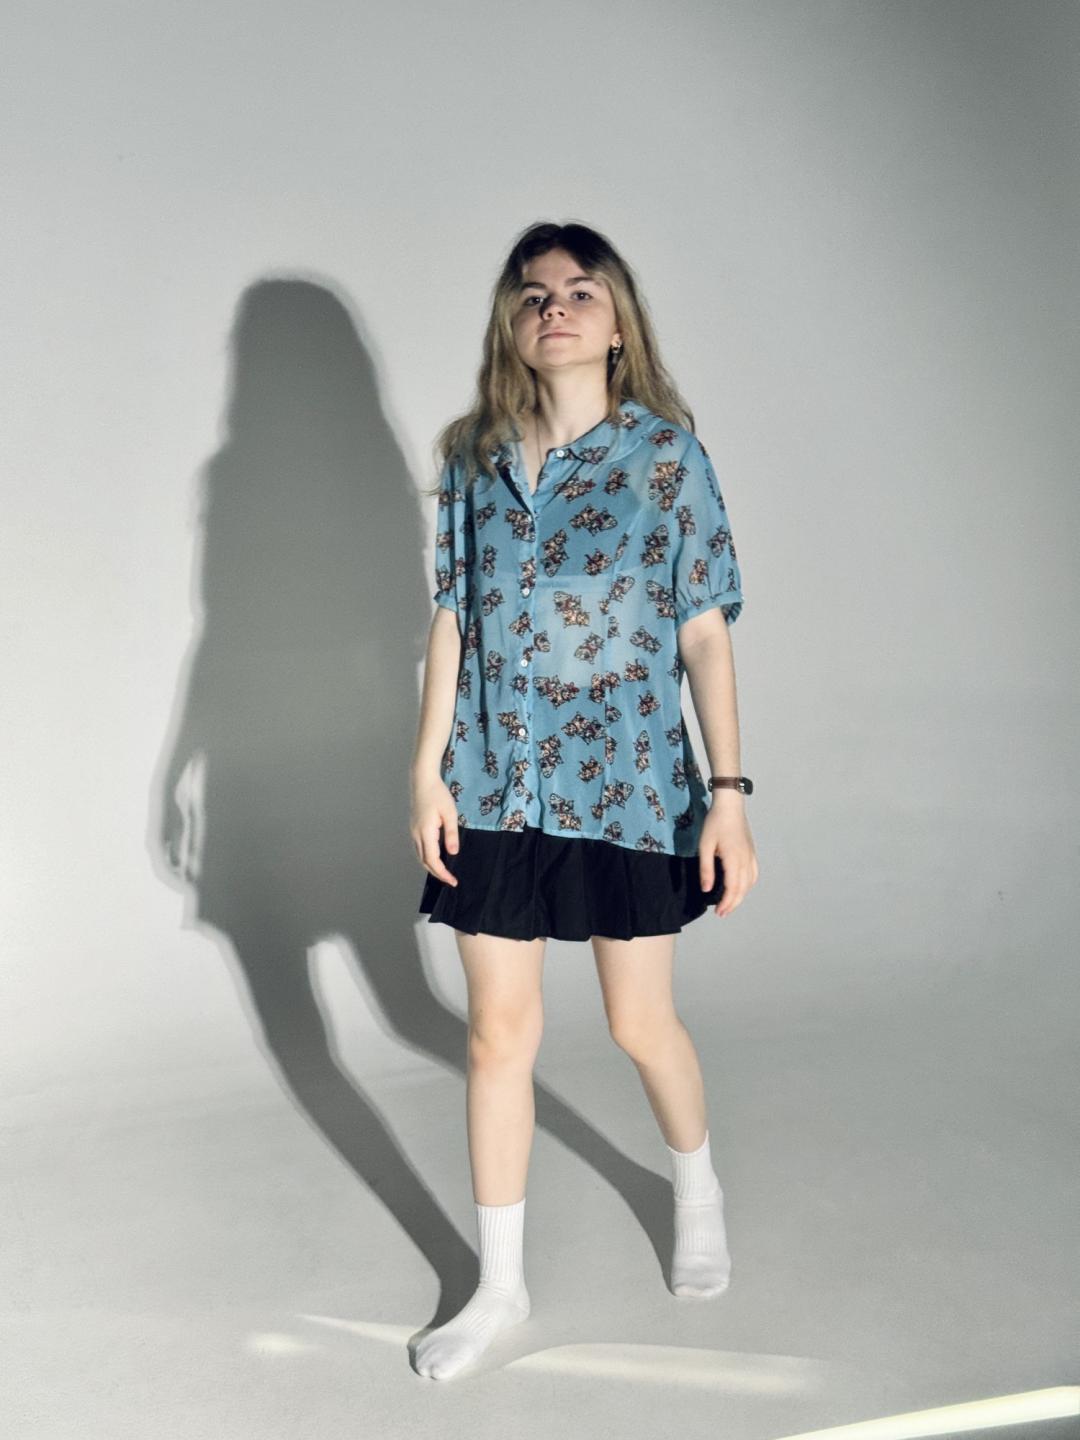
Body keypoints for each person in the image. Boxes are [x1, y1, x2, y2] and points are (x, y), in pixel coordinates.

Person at [408, 219, 759, 1380]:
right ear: (511, 325)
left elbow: (703, 634)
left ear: (618, 325)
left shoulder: (667, 461)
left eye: (580, 291)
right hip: (493, 783)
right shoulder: (473, 460)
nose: (552, 307)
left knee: (637, 1024)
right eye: (531, 294)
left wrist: (728, 795)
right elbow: (452, 617)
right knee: (497, 1034)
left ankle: (695, 1188)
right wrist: (426, 767)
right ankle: (499, 1289)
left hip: (630, 788)